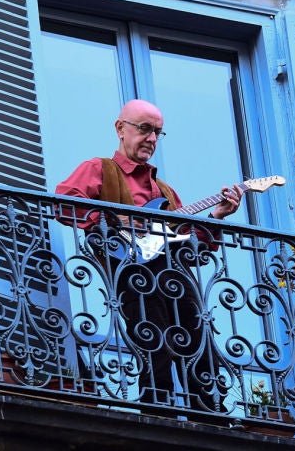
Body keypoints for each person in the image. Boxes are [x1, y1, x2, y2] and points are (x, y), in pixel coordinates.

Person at [55, 99, 244, 413]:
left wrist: (218, 217)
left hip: (175, 276)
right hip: (133, 272)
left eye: (158, 132)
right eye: (145, 129)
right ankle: (157, 409)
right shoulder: (100, 168)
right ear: (121, 129)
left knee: (200, 342)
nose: (152, 139)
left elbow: (192, 247)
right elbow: (63, 201)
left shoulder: (166, 193)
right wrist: (114, 217)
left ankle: (211, 412)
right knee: (153, 340)